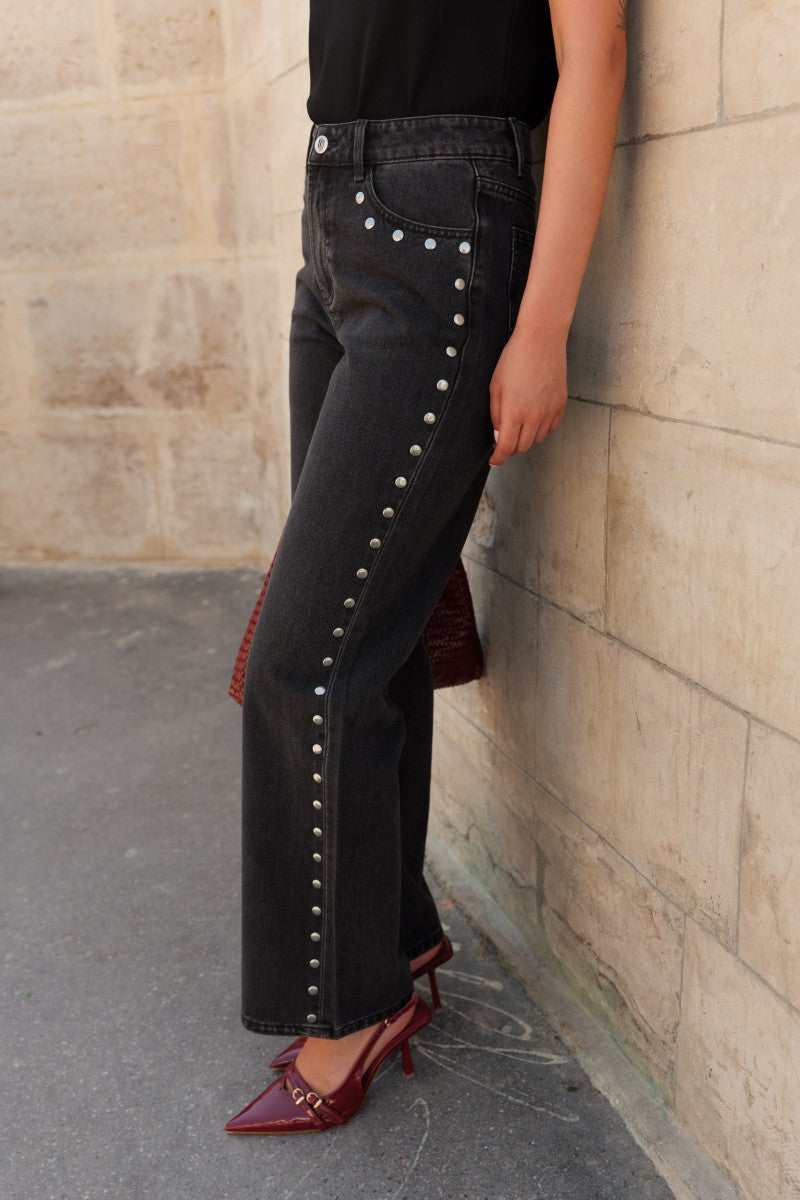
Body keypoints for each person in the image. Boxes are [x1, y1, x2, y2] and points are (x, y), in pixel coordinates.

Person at [225, 0, 627, 1135]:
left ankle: (347, 1013)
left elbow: (593, 51)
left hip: (442, 228)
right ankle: (390, 935)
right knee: (370, 637)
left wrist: (541, 322)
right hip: (335, 223)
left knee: (300, 660)